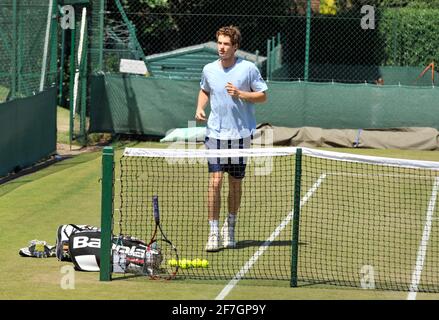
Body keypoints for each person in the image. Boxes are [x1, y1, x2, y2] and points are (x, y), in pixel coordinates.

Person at [195, 25, 268, 252]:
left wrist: (241, 94)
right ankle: (214, 233)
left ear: (235, 46)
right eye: (220, 43)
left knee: (235, 184)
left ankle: (231, 227)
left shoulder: (248, 69)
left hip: (240, 136)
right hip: (215, 134)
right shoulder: (208, 69)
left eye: (226, 44)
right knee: (215, 181)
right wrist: (199, 107)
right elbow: (205, 89)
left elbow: (263, 95)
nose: (222, 47)